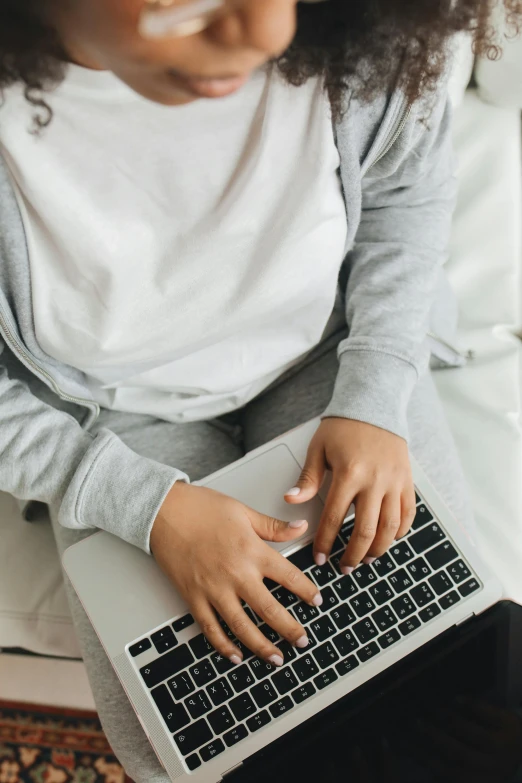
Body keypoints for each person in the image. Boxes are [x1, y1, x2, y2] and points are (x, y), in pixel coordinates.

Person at [0, 0, 513, 779]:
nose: (266, 32)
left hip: (333, 356)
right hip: (113, 414)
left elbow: (407, 199)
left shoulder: (353, 34)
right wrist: (147, 507)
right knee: (188, 746)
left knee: (441, 667)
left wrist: (374, 393)